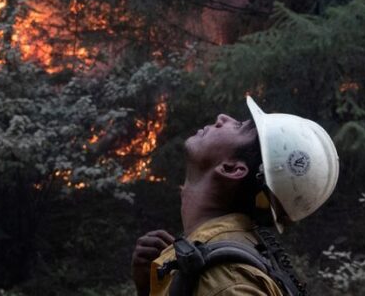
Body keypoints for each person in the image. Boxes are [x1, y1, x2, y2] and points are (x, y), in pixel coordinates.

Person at [131, 96, 340, 296]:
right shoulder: (217, 267)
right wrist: (147, 291)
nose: (222, 118)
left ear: (231, 169)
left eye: (240, 127)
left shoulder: (226, 281)